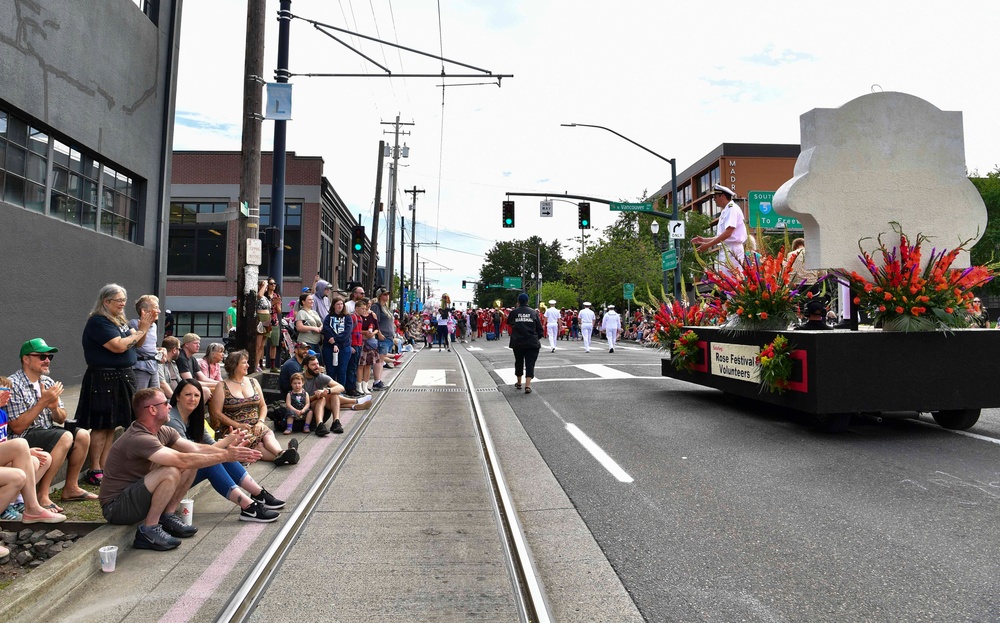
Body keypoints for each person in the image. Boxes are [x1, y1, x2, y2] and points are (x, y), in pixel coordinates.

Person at [99, 387, 262, 551]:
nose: (170, 406)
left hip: (137, 496)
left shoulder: (164, 431)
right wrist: (227, 456)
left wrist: (229, 450)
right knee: (171, 471)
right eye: (165, 403)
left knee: (191, 463)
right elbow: (180, 459)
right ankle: (148, 530)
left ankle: (167, 516)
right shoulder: (139, 437)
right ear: (152, 409)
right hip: (117, 507)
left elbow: (195, 449)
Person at [164, 379, 282, 523]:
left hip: (186, 470)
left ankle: (258, 494)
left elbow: (212, 445)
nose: (193, 399)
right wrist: (226, 446)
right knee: (212, 461)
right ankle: (248, 507)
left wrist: (231, 444)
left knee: (219, 456)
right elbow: (192, 452)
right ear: (177, 396)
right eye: (188, 394)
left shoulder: (195, 418)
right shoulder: (172, 420)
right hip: (170, 477)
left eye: (197, 395)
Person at [76, 283, 153, 488]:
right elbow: (119, 346)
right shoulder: (99, 322)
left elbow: (136, 343)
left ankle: (105, 466)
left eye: (124, 300)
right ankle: (94, 468)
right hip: (104, 377)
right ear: (106, 301)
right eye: (118, 300)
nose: (122, 304)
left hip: (121, 376)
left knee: (113, 425)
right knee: (101, 425)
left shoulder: (119, 320)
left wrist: (144, 327)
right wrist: (140, 330)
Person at [7, 338, 96, 507]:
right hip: (25, 436)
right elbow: (17, 427)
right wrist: (42, 403)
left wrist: (54, 408)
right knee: (65, 437)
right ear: (26, 359)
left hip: (46, 431)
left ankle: (71, 488)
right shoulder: (14, 384)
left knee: (82, 435)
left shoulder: (47, 382)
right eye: (42, 356)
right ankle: (42, 494)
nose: (47, 360)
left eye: (49, 357)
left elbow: (61, 418)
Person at [208, 351, 299, 466]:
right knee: (258, 445)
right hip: (235, 429)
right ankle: (287, 454)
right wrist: (238, 425)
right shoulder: (222, 386)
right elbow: (216, 413)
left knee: (267, 434)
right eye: (244, 363)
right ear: (234, 365)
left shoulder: (253, 382)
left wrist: (260, 421)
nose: (248, 365)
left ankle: (281, 453)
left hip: (256, 424)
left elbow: (263, 406)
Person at [691, 184, 747, 276]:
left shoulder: (731, 208)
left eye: (715, 197)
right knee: (727, 280)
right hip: (728, 248)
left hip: (732, 249)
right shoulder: (726, 210)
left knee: (732, 280)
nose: (714, 200)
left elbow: (728, 233)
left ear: (723, 196)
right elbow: (723, 235)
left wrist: (708, 245)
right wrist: (704, 240)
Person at [507, 293, 543, 394]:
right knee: (530, 363)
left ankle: (519, 383)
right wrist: (536, 337)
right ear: (527, 301)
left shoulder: (514, 312)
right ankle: (527, 385)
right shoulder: (533, 312)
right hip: (532, 342)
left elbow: (509, 323)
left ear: (518, 301)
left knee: (518, 361)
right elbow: (540, 329)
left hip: (518, 341)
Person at [130, 295, 162, 390]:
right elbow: (138, 345)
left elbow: (150, 346)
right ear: (144, 311)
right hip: (140, 367)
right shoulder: (134, 323)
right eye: (156, 308)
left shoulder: (154, 326)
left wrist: (160, 350)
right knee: (140, 397)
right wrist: (144, 328)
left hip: (154, 366)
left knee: (156, 395)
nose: (159, 311)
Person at [322, 296, 353, 387]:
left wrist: (336, 340)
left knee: (342, 370)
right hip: (329, 347)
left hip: (344, 347)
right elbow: (326, 329)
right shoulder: (328, 317)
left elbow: (347, 331)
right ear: (333, 306)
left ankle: (340, 390)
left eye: (341, 304)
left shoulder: (347, 317)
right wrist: (333, 342)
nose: (340, 306)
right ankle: (331, 389)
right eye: (338, 304)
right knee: (331, 370)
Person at [255, 280, 274, 372]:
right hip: (261, 319)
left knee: (262, 345)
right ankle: (254, 364)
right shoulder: (259, 296)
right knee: (258, 345)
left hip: (267, 319)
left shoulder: (266, 298)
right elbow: (259, 295)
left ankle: (258, 363)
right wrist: (265, 284)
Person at [268, 280, 283, 371]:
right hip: (265, 321)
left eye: (274, 283)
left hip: (274, 321)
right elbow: (263, 307)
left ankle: (272, 366)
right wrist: (272, 303)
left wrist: (277, 304)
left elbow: (279, 311)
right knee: (261, 344)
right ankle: (260, 364)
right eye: (271, 283)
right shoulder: (264, 296)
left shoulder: (276, 296)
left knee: (274, 344)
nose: (273, 285)